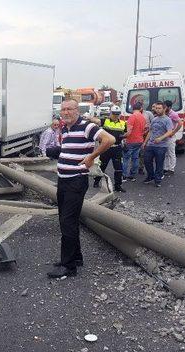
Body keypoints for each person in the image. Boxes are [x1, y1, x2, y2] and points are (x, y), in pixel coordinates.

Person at [45, 100, 115, 278]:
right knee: (68, 220)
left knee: (67, 222)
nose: (65, 112)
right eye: (63, 109)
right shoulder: (66, 128)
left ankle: (68, 267)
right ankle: (75, 257)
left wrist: (92, 156)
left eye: (69, 109)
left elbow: (109, 139)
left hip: (76, 181)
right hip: (63, 180)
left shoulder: (87, 126)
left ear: (77, 111)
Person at [93, 105, 127, 192]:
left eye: (117, 114)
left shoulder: (123, 123)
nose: (116, 116)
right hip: (106, 148)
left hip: (117, 148)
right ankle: (96, 181)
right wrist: (89, 117)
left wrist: (124, 139)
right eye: (114, 114)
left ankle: (118, 186)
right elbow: (96, 121)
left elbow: (125, 133)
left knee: (119, 168)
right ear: (110, 113)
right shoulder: (105, 121)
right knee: (102, 166)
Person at [142, 101, 175, 187]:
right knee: (147, 161)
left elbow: (170, 132)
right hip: (150, 144)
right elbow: (150, 131)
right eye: (156, 108)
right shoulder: (154, 119)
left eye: (159, 108)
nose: (157, 110)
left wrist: (161, 138)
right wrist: (145, 142)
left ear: (164, 109)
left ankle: (157, 179)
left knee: (159, 163)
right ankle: (150, 176)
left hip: (161, 146)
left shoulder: (167, 120)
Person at [123, 102, 147, 181]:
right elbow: (144, 130)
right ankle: (132, 175)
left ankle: (124, 176)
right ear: (141, 109)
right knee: (135, 158)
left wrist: (122, 136)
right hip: (139, 140)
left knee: (126, 158)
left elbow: (129, 131)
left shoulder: (132, 117)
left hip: (131, 140)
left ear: (132, 108)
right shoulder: (143, 117)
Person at [163, 100, 183, 175]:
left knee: (171, 153)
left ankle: (171, 169)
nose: (164, 108)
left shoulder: (173, 114)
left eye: (165, 107)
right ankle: (165, 168)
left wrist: (174, 132)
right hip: (164, 136)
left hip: (170, 136)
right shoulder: (164, 113)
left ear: (169, 107)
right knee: (165, 153)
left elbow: (180, 123)